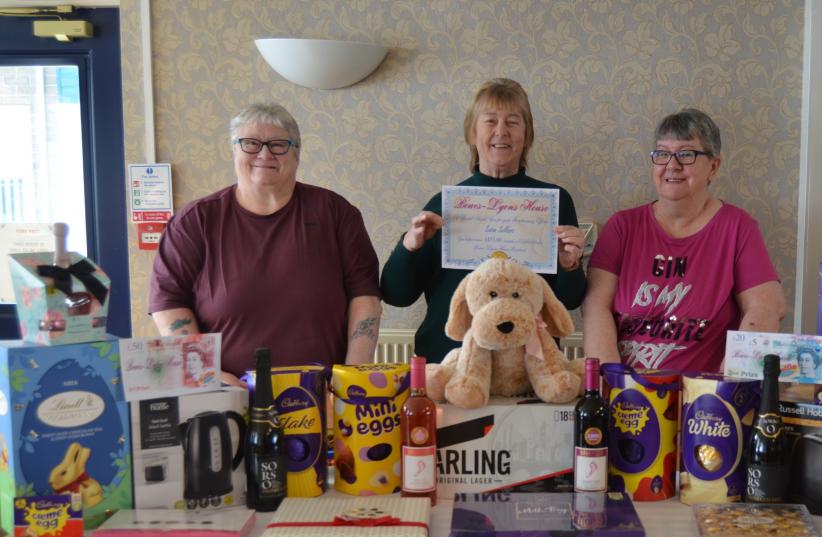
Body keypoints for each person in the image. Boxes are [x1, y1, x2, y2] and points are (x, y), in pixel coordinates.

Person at [149, 103, 382, 384]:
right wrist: (207, 375)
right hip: (229, 397)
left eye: (279, 144)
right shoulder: (195, 221)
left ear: (297, 153)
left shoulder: (336, 213)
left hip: (324, 397)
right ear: (234, 150)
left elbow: (365, 298)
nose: (264, 154)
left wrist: (352, 377)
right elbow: (169, 304)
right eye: (250, 144)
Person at [381, 78, 587, 364]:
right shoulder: (444, 206)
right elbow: (395, 295)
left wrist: (569, 265)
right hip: (452, 364)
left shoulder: (554, 202)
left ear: (526, 135)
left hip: (527, 367)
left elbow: (570, 301)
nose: (501, 131)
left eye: (513, 122)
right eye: (490, 121)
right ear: (472, 133)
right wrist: (410, 246)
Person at [583, 108, 786, 372]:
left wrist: (726, 387)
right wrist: (614, 383)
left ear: (713, 166)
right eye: (662, 153)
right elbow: (595, 306)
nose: (672, 165)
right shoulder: (621, 226)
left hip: (703, 402)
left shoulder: (737, 227)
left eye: (686, 154)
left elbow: (768, 306)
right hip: (629, 396)